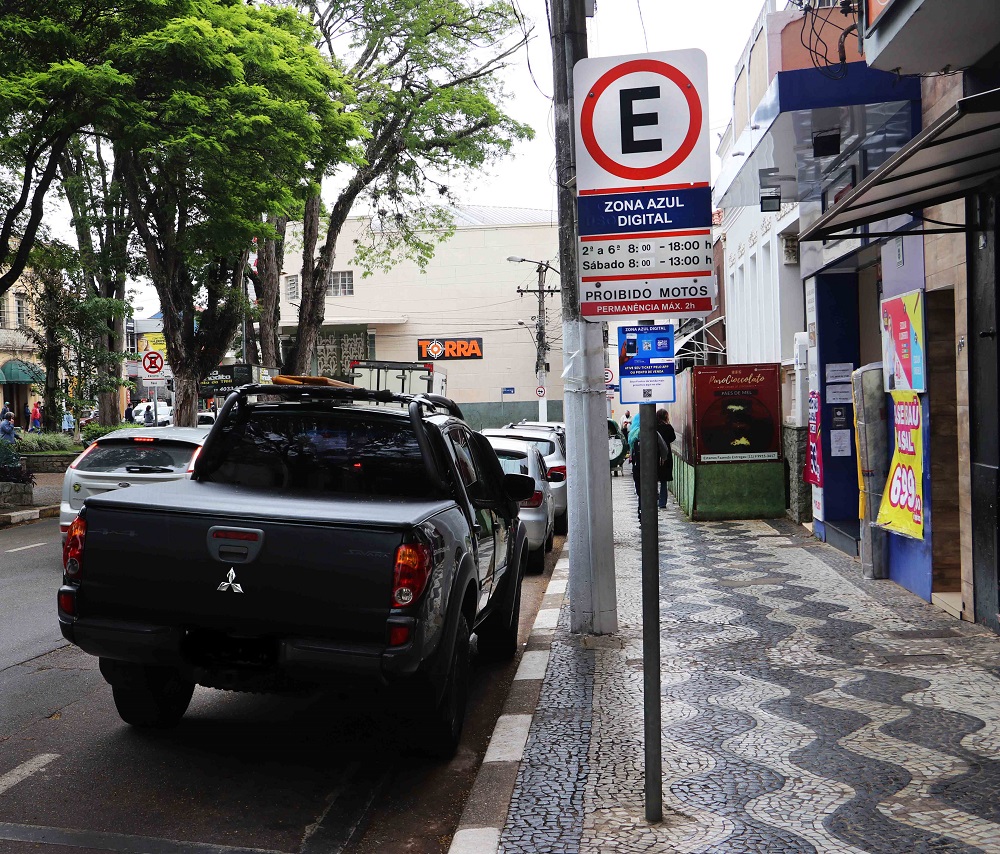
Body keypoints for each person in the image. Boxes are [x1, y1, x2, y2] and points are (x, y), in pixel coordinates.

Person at [656, 408, 677, 508]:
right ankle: (662, 503)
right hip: (666, 454)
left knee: (654, 478)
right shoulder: (668, 427)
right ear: (665, 416)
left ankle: (654, 499)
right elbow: (673, 438)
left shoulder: (654, 427)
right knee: (663, 480)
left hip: (654, 454)